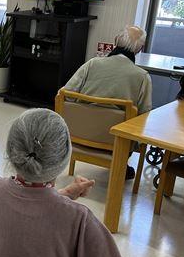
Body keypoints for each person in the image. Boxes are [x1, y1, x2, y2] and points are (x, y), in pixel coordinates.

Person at [0, 108, 169, 257]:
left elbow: (28, 211)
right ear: (64, 157)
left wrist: (64, 195)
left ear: (11, 150)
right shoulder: (79, 220)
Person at [63, 25, 153, 179]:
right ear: (140, 49)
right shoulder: (142, 77)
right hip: (116, 143)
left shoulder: (92, 64)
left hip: (78, 134)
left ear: (116, 41)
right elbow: (144, 116)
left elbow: (65, 94)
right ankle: (122, 165)